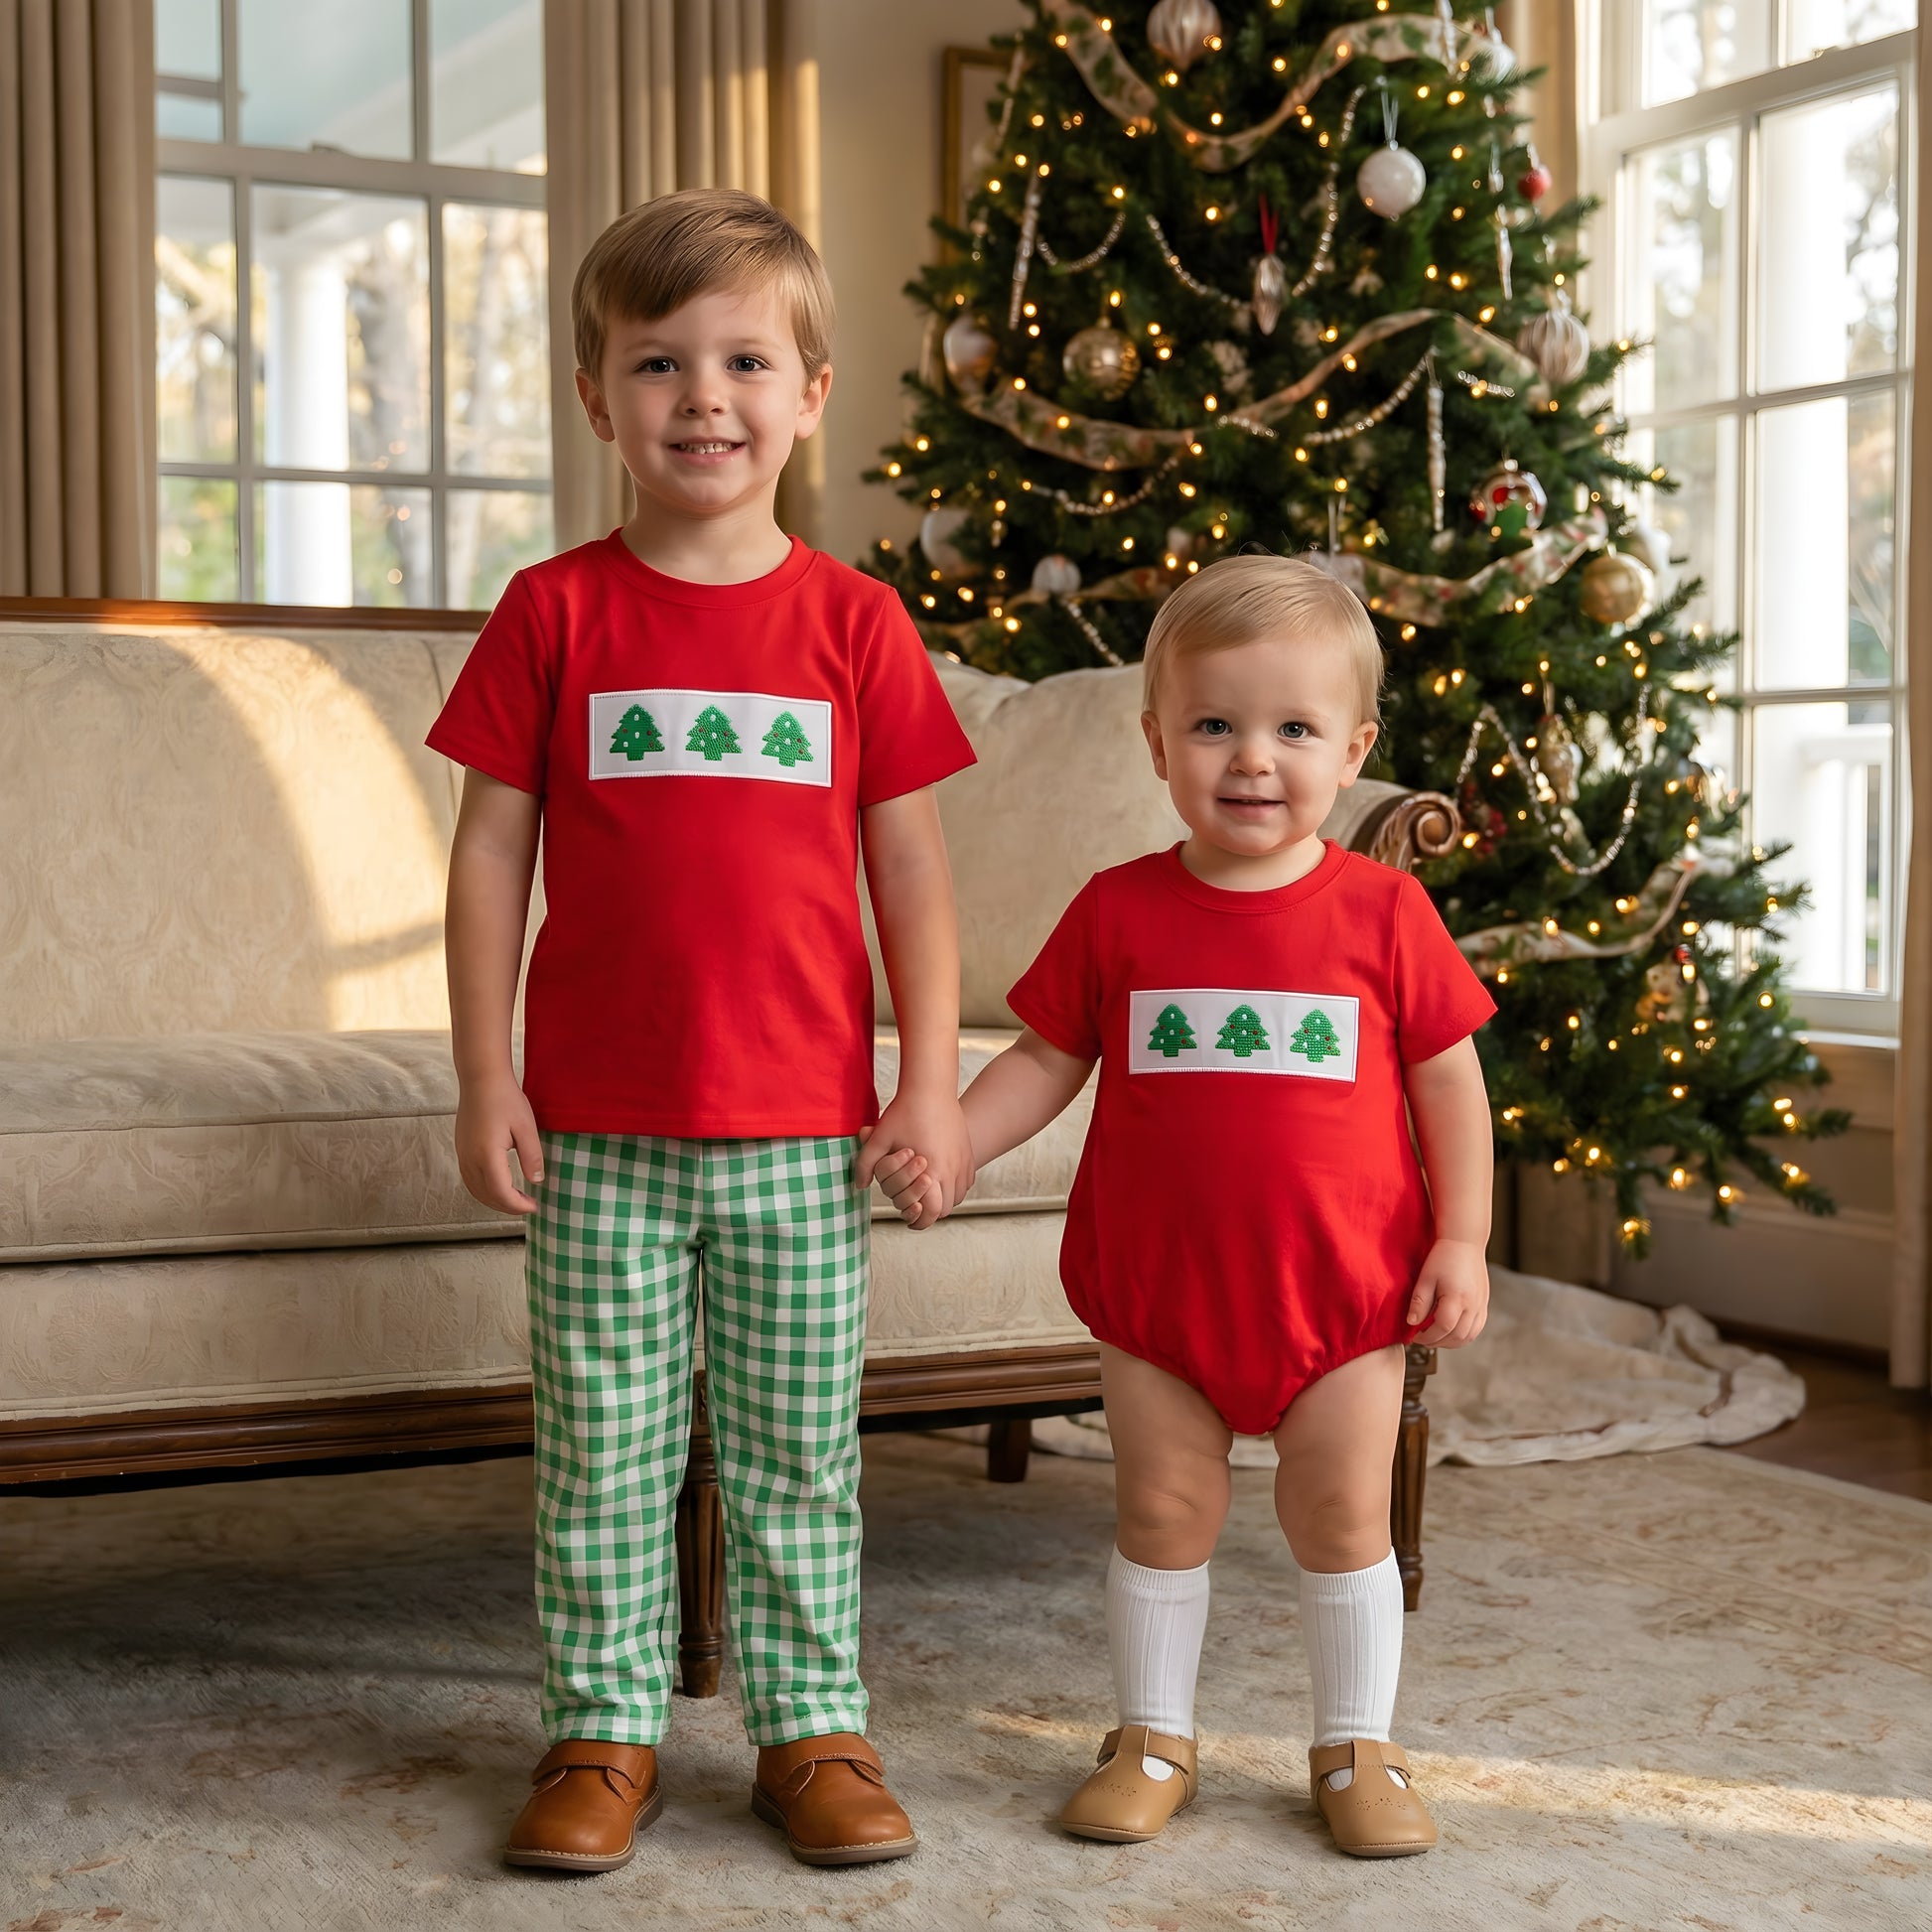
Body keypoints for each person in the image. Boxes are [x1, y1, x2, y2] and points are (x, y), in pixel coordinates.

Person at [429, 187, 976, 1874]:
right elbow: (489, 851)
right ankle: (601, 1730)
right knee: (600, 1448)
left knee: (796, 1451)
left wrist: (930, 1082)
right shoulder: (553, 612)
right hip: (595, 1130)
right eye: (657, 362)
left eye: (746, 359)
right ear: (597, 397)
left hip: (802, 1135)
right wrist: (484, 1073)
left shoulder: (854, 625)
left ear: (813, 392)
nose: (703, 397)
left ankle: (810, 1730)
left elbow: (912, 873)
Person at [879, 553, 1495, 1858]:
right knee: (1160, 1512)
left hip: (1343, 1292)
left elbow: (1449, 1085)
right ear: (1156, 741)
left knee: (1341, 1515)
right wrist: (957, 1139)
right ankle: (1152, 1732)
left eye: (1291, 729)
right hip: (1161, 1291)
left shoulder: (1385, 915)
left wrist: (1460, 1235)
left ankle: (1355, 1744)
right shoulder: (1121, 910)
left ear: (1353, 748)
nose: (1250, 759)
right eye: (1212, 724)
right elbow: (1045, 1057)